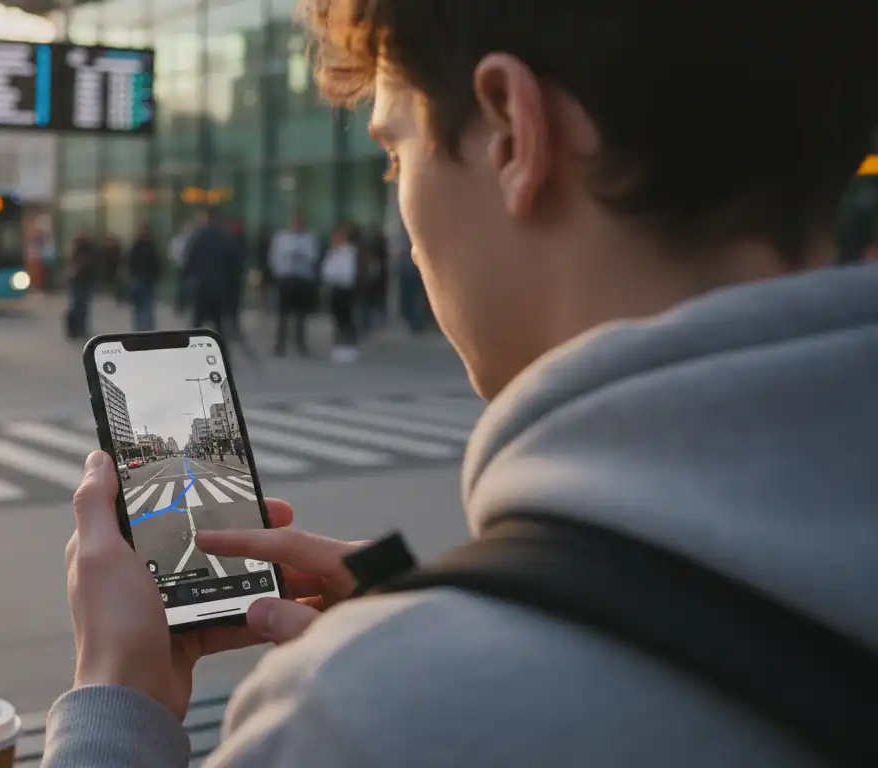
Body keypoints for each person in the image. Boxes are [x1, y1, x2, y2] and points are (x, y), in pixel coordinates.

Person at [45, 1, 878, 766]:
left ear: (513, 133)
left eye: (393, 152)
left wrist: (117, 698)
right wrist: (439, 616)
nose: (402, 219)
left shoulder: (358, 721)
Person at [267, 215, 319, 356]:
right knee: (283, 314)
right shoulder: (282, 238)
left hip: (302, 279)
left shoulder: (309, 239)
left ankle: (301, 344)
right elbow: (274, 257)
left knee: (301, 315)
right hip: (286, 279)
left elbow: (313, 257)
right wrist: (278, 274)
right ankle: (280, 344)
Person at [321, 222, 361, 363]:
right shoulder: (333, 252)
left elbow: (347, 272)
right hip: (335, 288)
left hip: (346, 288)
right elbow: (326, 271)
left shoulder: (350, 251)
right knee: (337, 318)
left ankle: (350, 347)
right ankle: (339, 347)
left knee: (347, 318)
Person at [126, 224, 161, 332]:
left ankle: (143, 329)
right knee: (145, 307)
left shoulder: (138, 246)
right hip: (143, 280)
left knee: (143, 307)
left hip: (143, 280)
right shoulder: (148, 246)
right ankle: (144, 329)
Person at [65, 231, 98, 340]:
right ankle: (77, 329)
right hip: (78, 281)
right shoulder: (78, 250)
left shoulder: (87, 250)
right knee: (79, 305)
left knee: (82, 306)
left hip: (83, 281)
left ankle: (80, 329)